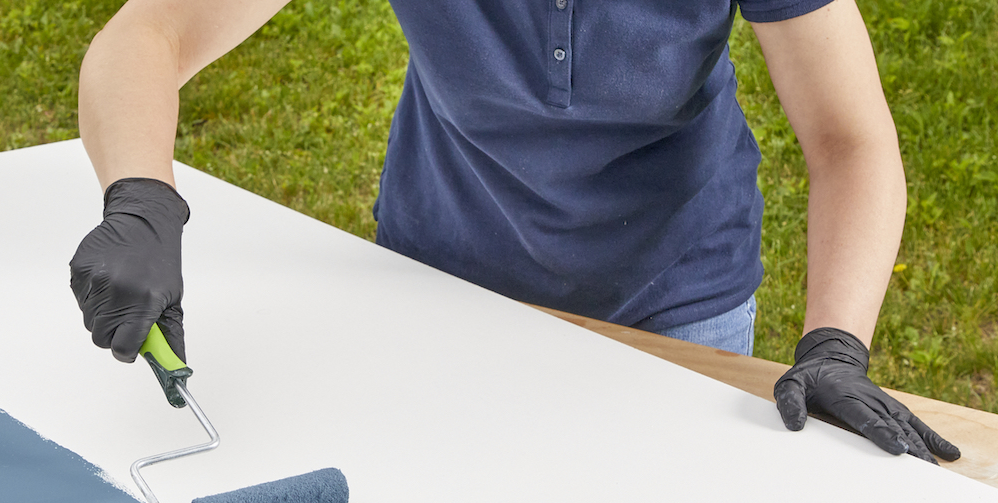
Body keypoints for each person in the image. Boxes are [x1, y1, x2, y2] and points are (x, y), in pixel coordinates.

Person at [68, 0, 959, 464]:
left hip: (673, 304)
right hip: (440, 283)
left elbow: (850, 138)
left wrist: (836, 344)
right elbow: (151, 30)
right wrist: (142, 201)